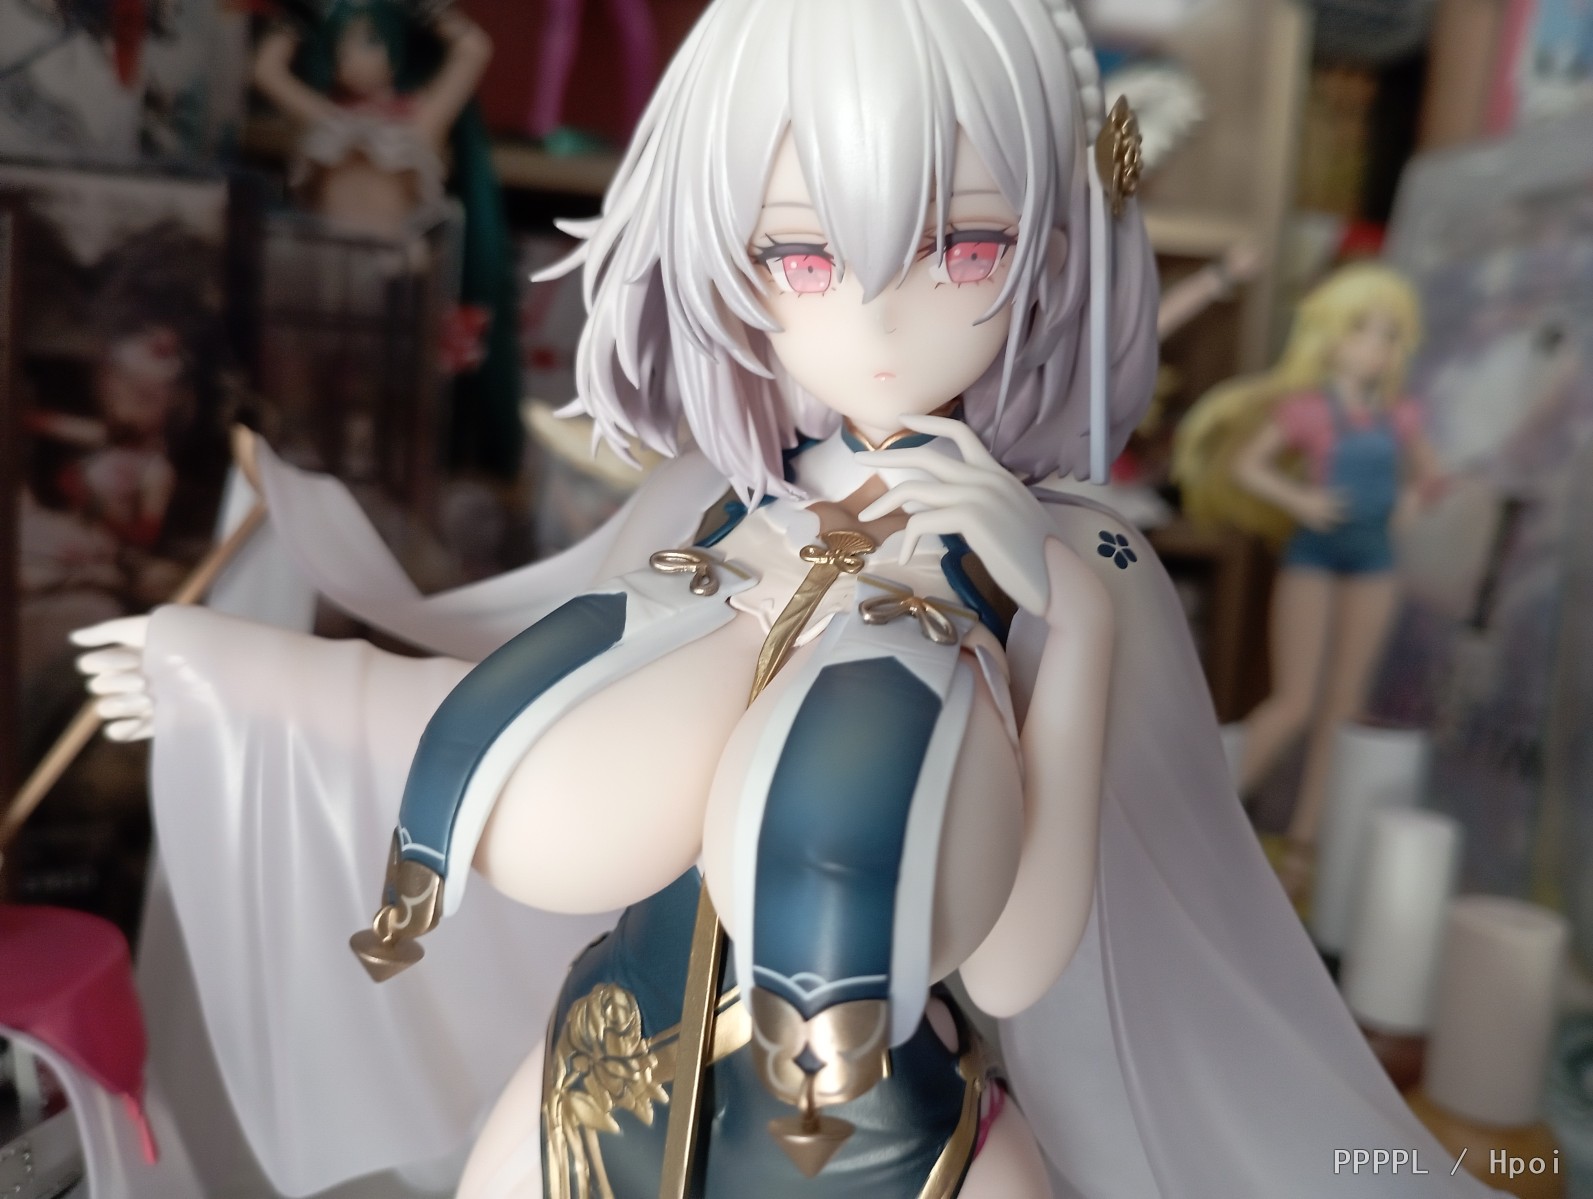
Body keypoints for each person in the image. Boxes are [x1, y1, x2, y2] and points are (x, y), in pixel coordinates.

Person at [76, 4, 1499, 1196]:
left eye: (967, 246)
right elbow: (524, 715)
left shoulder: (1074, 567)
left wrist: (1067, 629)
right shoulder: (718, 504)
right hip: (602, 1079)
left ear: (1059, 240)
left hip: (898, 1141)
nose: (875, 319)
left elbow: (1021, 960)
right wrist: (250, 676)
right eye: (802, 257)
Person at [1175, 264, 1444, 900]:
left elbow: (1432, 475)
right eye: (1363, 331)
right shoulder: (1309, 410)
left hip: (1374, 560)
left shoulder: (1398, 416)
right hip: (1315, 554)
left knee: (1341, 707)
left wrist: (1411, 501)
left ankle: (1302, 847)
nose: (1375, 348)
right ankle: (1198, 810)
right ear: (1330, 336)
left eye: (1389, 335)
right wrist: (1301, 500)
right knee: (1293, 702)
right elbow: (1246, 465)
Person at [252, 0, 521, 477]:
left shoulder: (418, 122)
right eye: (340, 45)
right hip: (323, 277)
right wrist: (303, 14)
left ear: (396, 48)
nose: (352, 59)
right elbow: (266, 71)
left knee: (388, 400)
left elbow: (472, 49)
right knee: (307, 395)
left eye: (370, 42)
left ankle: (382, 475)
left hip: (396, 280)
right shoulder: (325, 119)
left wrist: (425, 8)